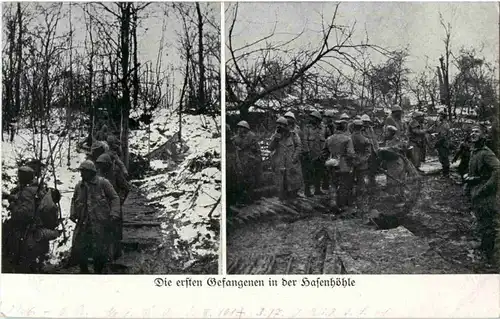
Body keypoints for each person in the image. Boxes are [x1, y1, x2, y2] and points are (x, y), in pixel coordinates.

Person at [69, 160, 121, 274]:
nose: (81, 174)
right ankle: (84, 271)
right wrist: (73, 213)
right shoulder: (79, 186)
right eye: (81, 172)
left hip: (99, 222)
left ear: (91, 172)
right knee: (80, 248)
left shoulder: (103, 183)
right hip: (84, 223)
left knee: (100, 250)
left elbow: (114, 198)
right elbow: (74, 200)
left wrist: (114, 213)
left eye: (84, 172)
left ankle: (98, 272)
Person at [464, 125, 500, 266]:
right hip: (476, 189)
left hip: (484, 192)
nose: (473, 134)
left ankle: (489, 256)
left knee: (488, 222)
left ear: (483, 135)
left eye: (477, 132)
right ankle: (484, 246)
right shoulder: (475, 151)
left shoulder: (486, 153)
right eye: (472, 131)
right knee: (481, 219)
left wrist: (487, 187)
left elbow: (498, 169)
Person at [96, 153, 129, 260]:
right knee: (105, 230)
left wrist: (120, 200)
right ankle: (106, 254)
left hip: (114, 203)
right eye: (99, 164)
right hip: (103, 206)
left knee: (116, 230)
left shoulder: (116, 172)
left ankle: (117, 253)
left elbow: (125, 188)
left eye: (102, 164)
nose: (100, 166)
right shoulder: (98, 173)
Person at [322, 115, 355, 210]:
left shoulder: (329, 139)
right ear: (344, 128)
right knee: (343, 185)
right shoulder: (347, 139)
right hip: (344, 165)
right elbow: (351, 153)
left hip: (331, 164)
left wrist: (328, 159)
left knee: (333, 183)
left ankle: (333, 203)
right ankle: (342, 205)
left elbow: (324, 152)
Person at [269, 117, 302, 199]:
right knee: (281, 182)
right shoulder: (275, 136)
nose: (280, 127)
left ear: (286, 126)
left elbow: (299, 146)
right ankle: (283, 197)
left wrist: (294, 157)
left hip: (291, 161)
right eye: (278, 125)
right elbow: (270, 148)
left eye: (282, 125)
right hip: (280, 161)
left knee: (293, 180)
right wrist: (276, 138)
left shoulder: (293, 135)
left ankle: (293, 195)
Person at [232, 120, 263, 203]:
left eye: (242, 128)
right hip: (240, 161)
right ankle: (242, 199)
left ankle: (250, 197)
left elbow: (257, 149)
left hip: (250, 161)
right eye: (239, 128)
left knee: (250, 180)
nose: (240, 129)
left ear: (246, 129)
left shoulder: (252, 137)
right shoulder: (235, 138)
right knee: (241, 181)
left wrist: (257, 158)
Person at [302, 111, 326, 197]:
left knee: (319, 172)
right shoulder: (307, 128)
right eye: (311, 117)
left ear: (318, 120)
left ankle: (317, 189)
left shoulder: (323, 128)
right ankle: (307, 190)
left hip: (320, 154)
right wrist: (307, 151)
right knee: (308, 173)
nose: (311, 119)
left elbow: (326, 140)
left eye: (314, 118)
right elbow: (304, 141)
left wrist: (324, 153)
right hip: (310, 154)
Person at [380, 125, 406, 202]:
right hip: (391, 163)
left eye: (386, 132)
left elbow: (395, 148)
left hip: (396, 163)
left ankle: (400, 198)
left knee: (396, 179)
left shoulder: (396, 141)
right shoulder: (387, 140)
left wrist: (383, 149)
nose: (384, 133)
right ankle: (395, 197)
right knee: (392, 180)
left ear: (391, 133)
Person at [351, 120, 372, 196]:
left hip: (351, 163)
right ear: (361, 128)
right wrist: (361, 161)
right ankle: (362, 198)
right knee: (361, 181)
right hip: (362, 164)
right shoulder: (365, 139)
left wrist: (353, 160)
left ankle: (351, 198)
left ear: (353, 127)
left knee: (350, 181)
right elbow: (368, 153)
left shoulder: (348, 138)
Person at [361, 114, 379, 189]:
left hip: (372, 150)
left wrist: (377, 148)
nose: (366, 124)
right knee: (364, 168)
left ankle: (372, 181)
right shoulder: (360, 130)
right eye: (365, 122)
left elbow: (374, 139)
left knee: (373, 166)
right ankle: (362, 184)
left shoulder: (370, 129)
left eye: (367, 122)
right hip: (364, 151)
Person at [322, 110, 336, 190]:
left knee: (332, 166)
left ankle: (330, 183)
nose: (328, 119)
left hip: (332, 147)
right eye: (327, 117)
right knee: (325, 166)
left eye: (329, 117)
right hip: (325, 147)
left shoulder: (333, 126)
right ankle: (325, 184)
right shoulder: (323, 126)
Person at [435, 110, 451, 176]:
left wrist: (438, 142)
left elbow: (444, 136)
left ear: (443, 116)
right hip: (441, 142)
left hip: (443, 143)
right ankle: (445, 172)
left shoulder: (445, 124)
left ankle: (446, 173)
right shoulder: (441, 123)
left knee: (444, 158)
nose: (439, 117)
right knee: (441, 158)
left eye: (440, 115)